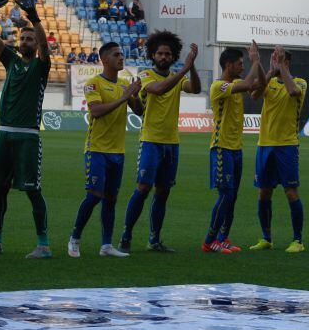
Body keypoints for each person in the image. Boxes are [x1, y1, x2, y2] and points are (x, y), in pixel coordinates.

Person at [117, 31, 201, 253]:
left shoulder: (180, 77)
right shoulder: (146, 77)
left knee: (163, 192)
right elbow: (160, 89)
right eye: (160, 53)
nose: (164, 57)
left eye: (168, 54)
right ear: (152, 55)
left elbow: (196, 89)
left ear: (173, 57)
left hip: (172, 143)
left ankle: (154, 239)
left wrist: (191, 67)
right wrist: (184, 68)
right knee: (143, 188)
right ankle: (126, 234)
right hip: (150, 141)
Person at [0, 0, 53, 258]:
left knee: (32, 191)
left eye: (30, 39)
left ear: (36, 45)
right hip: (4, 134)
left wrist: (34, 17)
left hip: (27, 136)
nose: (25, 42)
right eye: (22, 38)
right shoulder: (11, 61)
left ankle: (43, 245)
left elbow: (46, 47)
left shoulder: (42, 66)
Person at [68, 43, 144, 259]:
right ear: (104, 59)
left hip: (117, 151)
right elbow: (96, 111)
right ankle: (75, 238)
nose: (121, 58)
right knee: (93, 196)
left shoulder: (122, 84)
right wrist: (124, 96)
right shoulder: (93, 84)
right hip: (97, 150)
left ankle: (107, 245)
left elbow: (139, 112)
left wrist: (134, 95)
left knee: (111, 199)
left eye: (122, 54)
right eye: (116, 55)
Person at [202, 43, 264, 255]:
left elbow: (260, 84)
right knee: (226, 194)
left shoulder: (237, 82)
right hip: (221, 148)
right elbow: (249, 85)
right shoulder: (218, 86)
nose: (242, 66)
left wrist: (266, 66)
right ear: (228, 65)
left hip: (236, 148)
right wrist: (255, 60)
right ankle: (209, 241)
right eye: (239, 63)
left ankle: (222, 237)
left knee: (233, 195)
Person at [248, 46, 308, 253]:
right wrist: (270, 71)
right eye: (273, 58)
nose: (274, 61)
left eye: (278, 59)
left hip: (287, 146)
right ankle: (266, 238)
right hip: (264, 145)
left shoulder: (299, 82)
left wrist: (281, 68)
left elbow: (293, 92)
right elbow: (254, 95)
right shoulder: (270, 82)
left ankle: (297, 240)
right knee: (264, 193)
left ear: (287, 62)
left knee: (291, 192)